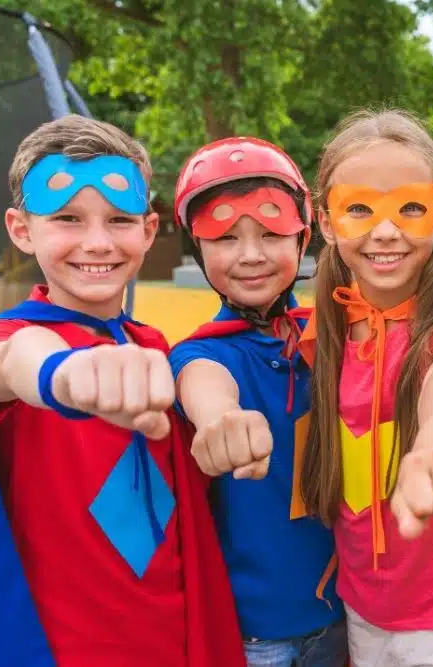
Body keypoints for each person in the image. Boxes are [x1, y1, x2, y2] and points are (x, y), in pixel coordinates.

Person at [0, 114, 244, 667]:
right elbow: (12, 363)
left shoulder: (154, 347)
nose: (97, 242)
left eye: (119, 220)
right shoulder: (4, 339)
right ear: (22, 228)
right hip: (63, 647)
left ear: (148, 232)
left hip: (177, 637)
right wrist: (63, 375)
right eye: (68, 219)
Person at [292, 109, 433, 667]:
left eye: (410, 208)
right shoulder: (325, 331)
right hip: (362, 607)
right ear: (327, 222)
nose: (385, 231)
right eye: (359, 208)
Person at [169, 137, 347, 667]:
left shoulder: (337, 338)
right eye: (224, 237)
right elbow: (203, 383)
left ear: (304, 238)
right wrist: (221, 419)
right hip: (254, 637)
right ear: (197, 250)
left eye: (271, 233)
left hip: (345, 619)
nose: (250, 255)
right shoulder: (199, 353)